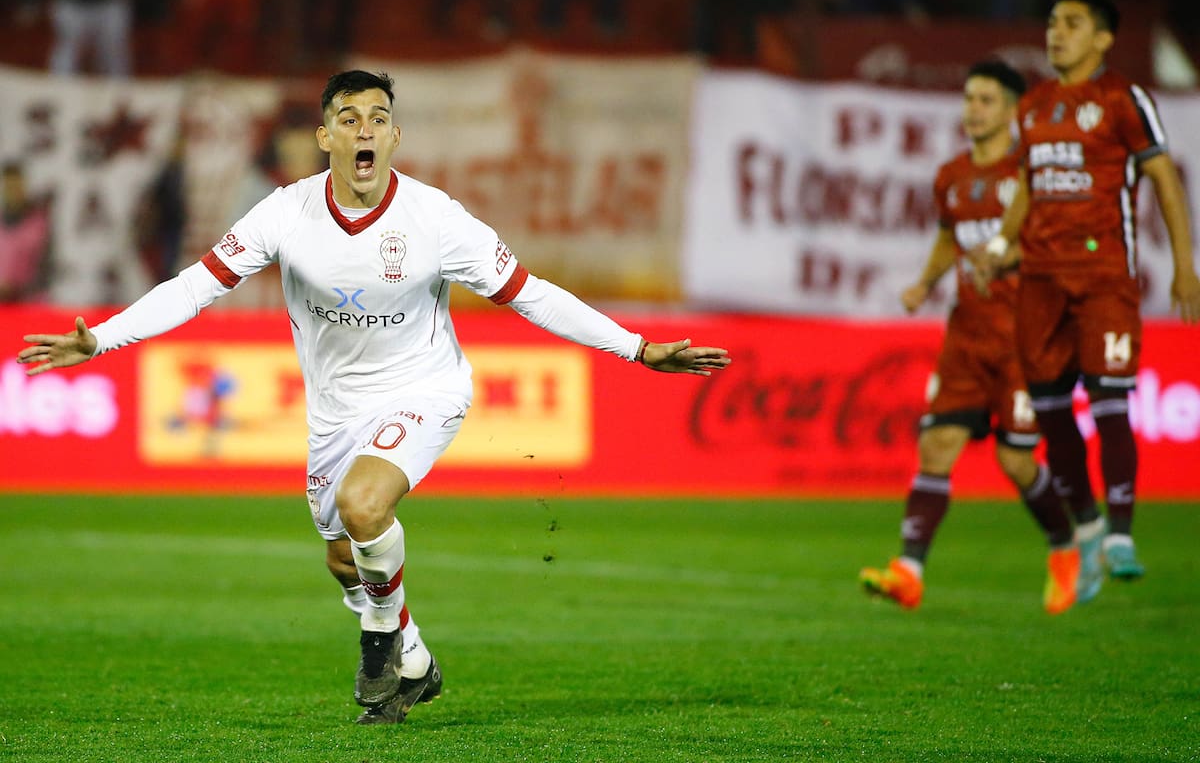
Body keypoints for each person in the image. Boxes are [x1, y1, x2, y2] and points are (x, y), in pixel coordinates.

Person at [16, 70, 731, 725]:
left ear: (394, 137)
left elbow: (530, 294)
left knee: (364, 506)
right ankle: (414, 658)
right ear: (325, 137)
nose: (364, 130)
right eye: (349, 118)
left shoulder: (435, 219)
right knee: (342, 557)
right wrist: (102, 338)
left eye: (378, 118)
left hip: (426, 387)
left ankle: (380, 642)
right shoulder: (285, 213)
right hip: (334, 409)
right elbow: (196, 286)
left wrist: (636, 347)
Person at [980, 0, 1200, 603]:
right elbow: (1026, 182)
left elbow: (1162, 175)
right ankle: (1089, 523)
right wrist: (1002, 245)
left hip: (1104, 279)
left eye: (1072, 24)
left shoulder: (1122, 99)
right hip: (1040, 283)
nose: (1057, 33)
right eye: (1052, 22)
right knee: (1052, 413)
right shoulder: (1035, 106)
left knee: (1109, 401)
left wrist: (1186, 265)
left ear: (1102, 37)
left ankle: (1123, 533)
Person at [859, 61, 1079, 614]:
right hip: (967, 334)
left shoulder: (1030, 178)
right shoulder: (952, 176)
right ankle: (908, 572)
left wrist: (1007, 261)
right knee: (936, 445)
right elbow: (947, 237)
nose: (973, 109)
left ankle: (1064, 545)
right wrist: (924, 283)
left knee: (1016, 462)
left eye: (985, 100)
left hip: (1024, 339)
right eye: (969, 98)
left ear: (1011, 111)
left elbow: (1058, 249)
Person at [0, 161, 53, 304]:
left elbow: (46, 268)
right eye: (9, 186)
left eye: (16, 185)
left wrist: (15, 288)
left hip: (31, 305)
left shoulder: (40, 223)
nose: (13, 191)